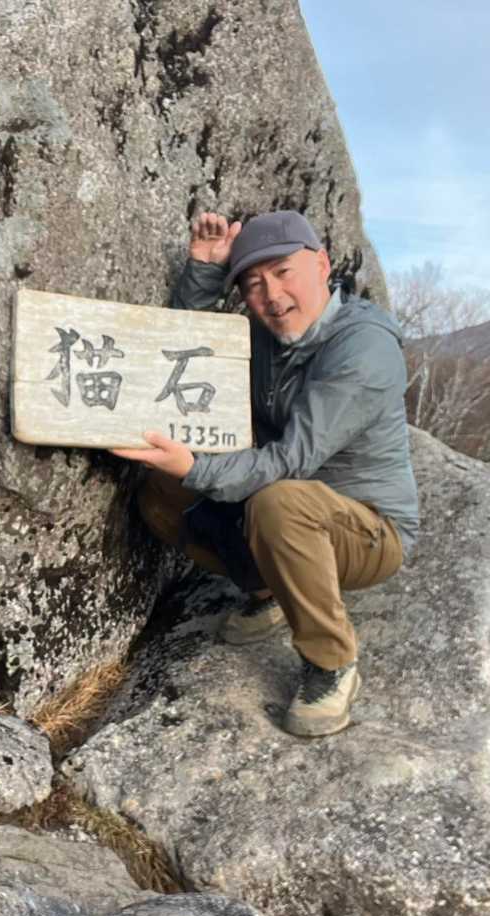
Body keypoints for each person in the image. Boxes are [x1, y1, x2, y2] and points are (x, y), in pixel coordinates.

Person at [113, 210, 418, 737]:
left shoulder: (364, 346)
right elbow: (186, 351)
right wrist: (205, 271)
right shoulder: (263, 336)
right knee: (160, 492)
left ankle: (332, 664)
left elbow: (292, 459)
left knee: (277, 502)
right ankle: (267, 589)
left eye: (282, 272)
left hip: (368, 529)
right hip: (284, 509)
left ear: (321, 265)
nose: (272, 296)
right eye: (253, 284)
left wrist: (196, 467)